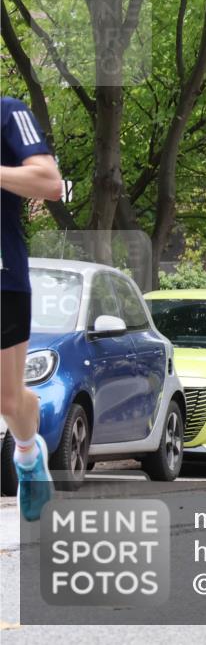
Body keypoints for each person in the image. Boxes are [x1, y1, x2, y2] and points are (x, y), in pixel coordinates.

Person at [1, 96, 63, 521]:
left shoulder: (8, 112)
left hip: (3, 275)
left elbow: (49, 182)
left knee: (7, 399)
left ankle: (27, 453)